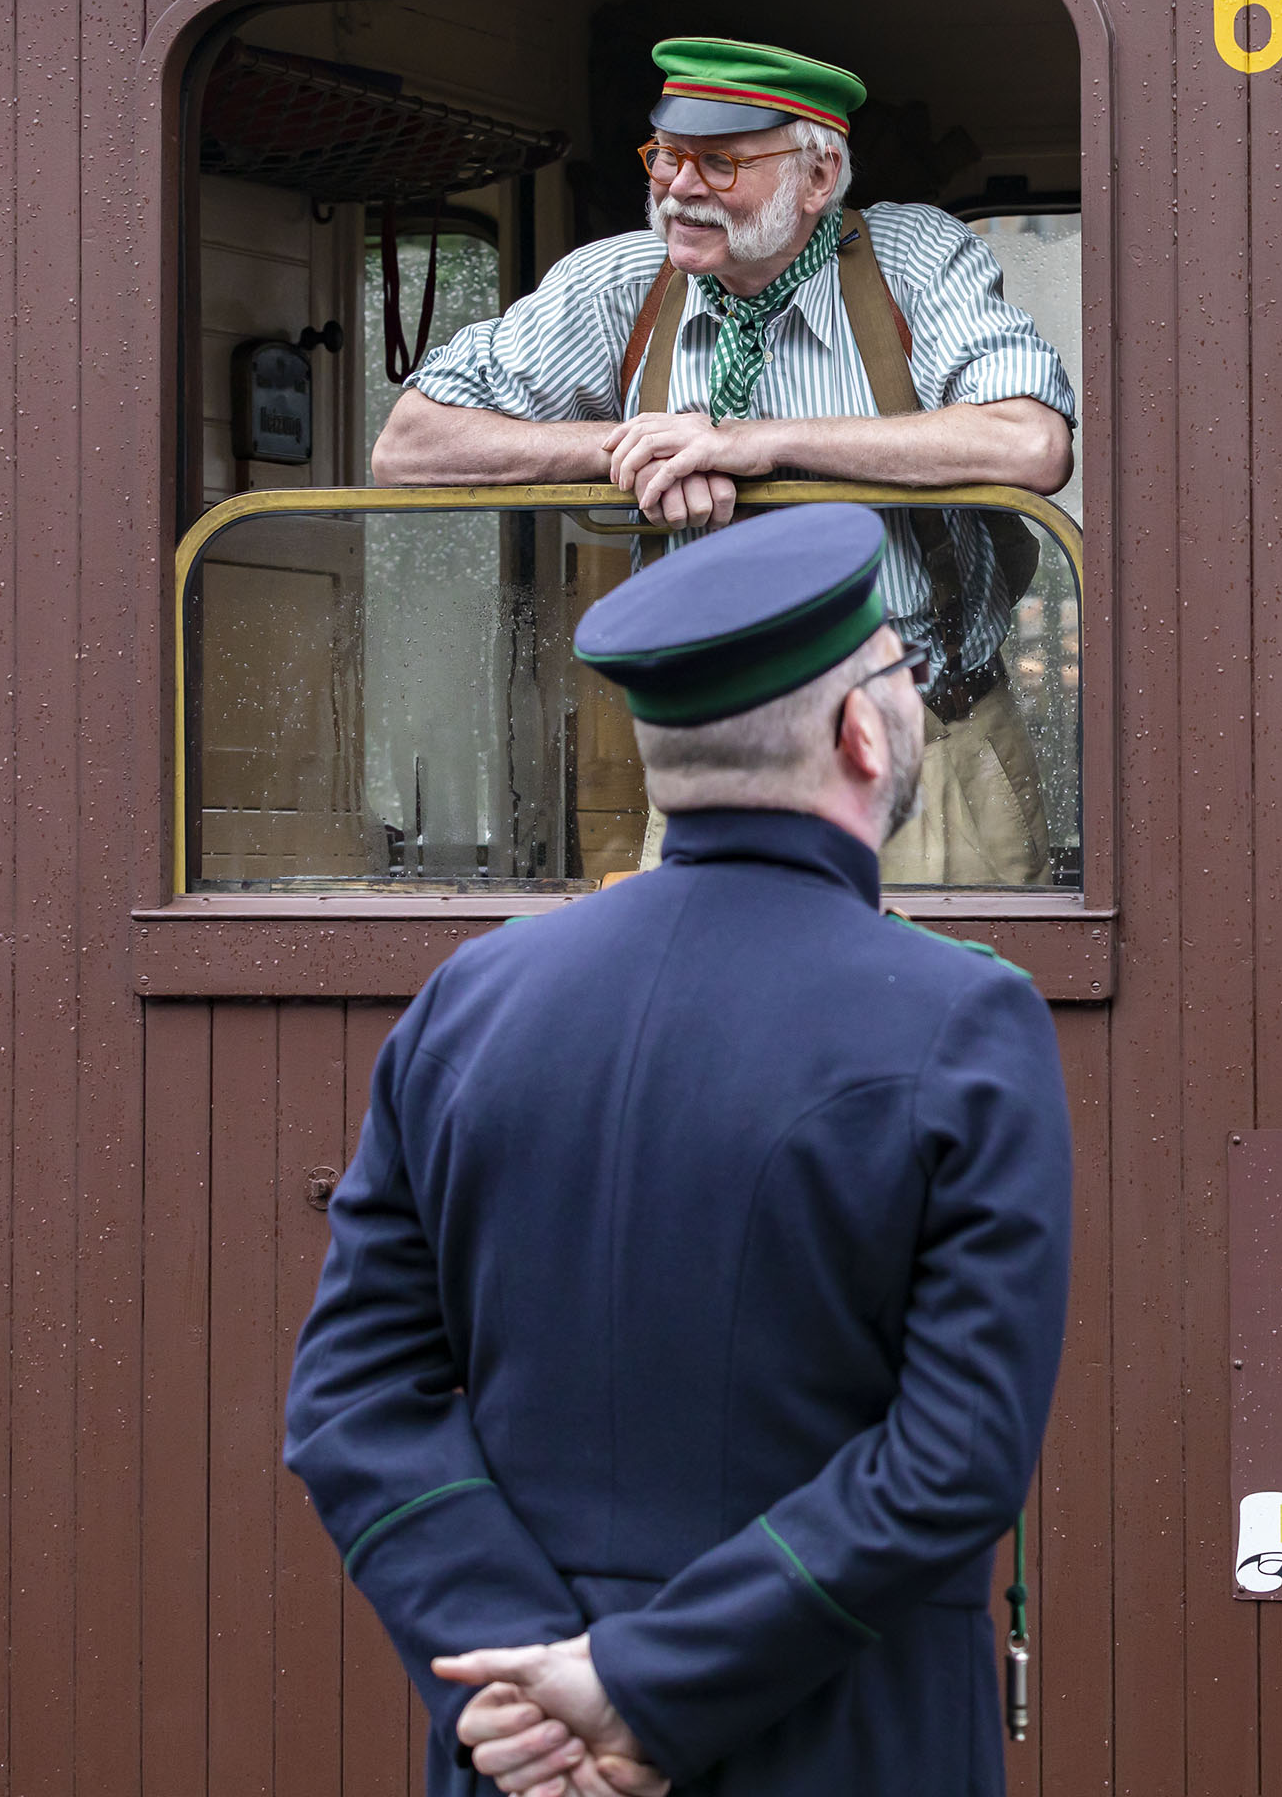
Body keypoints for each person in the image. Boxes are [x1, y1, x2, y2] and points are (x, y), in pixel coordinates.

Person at [284, 504, 1073, 1796]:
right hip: (842, 1738)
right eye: (901, 670)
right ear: (861, 730)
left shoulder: (471, 1001)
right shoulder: (962, 1022)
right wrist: (634, 1690)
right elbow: (956, 1459)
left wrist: (531, 1679)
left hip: (521, 1749)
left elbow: (353, 1402)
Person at [375, 35, 1077, 886]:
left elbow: (1031, 443)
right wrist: (637, 448)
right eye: (666, 156)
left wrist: (759, 441)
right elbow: (408, 443)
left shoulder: (916, 262)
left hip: (923, 755)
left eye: (719, 164)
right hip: (709, 772)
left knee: (930, 1013)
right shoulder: (621, 285)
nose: (678, 189)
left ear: (819, 177)